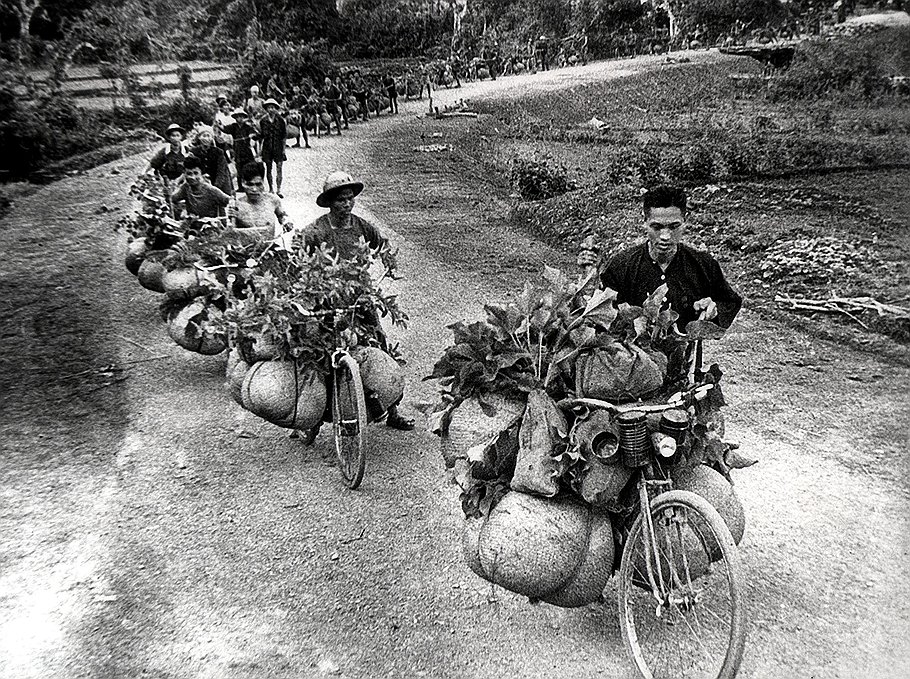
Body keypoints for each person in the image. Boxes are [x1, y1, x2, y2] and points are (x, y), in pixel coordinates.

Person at [298, 171, 415, 432]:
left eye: (350, 199)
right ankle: (314, 418)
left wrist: (388, 263)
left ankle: (393, 409)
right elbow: (298, 259)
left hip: (359, 299)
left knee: (379, 347)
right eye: (341, 200)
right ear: (330, 202)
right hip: (327, 302)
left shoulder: (362, 226)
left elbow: (382, 243)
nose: (347, 204)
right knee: (322, 356)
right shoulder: (316, 231)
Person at [579, 185, 742, 331]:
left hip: (686, 360)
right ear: (645, 223)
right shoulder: (621, 266)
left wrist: (713, 310)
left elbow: (729, 302)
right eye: (657, 227)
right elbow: (598, 316)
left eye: (674, 227)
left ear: (685, 222)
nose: (665, 236)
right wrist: (592, 276)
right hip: (633, 360)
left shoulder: (704, 265)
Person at [228, 161, 293, 242]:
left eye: (258, 184)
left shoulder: (272, 200)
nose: (254, 189)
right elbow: (231, 235)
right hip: (244, 251)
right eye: (250, 184)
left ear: (263, 182)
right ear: (243, 183)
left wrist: (286, 222)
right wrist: (230, 220)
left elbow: (282, 216)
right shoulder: (236, 206)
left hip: (269, 248)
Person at [187, 124, 234, 195]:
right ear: (199, 137)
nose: (206, 138)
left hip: (220, 182)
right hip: (203, 181)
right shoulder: (194, 151)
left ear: (212, 138)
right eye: (204, 136)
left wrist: (215, 188)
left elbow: (221, 172)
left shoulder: (218, 152)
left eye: (208, 136)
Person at [257, 98, 287, 197]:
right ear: (266, 109)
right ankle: (271, 189)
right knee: (268, 168)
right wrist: (259, 150)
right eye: (269, 107)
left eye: (273, 107)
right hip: (267, 147)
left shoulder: (281, 120)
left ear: (276, 108)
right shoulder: (263, 120)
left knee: (279, 168)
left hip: (278, 147)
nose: (271, 109)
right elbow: (261, 136)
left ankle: (279, 189)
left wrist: (283, 150)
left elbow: (283, 136)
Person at [220, 107, 258, 177]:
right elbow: (224, 129)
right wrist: (219, 125)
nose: (239, 118)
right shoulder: (233, 126)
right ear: (235, 118)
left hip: (247, 150)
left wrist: (252, 135)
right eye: (237, 117)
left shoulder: (248, 127)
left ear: (243, 117)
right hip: (237, 150)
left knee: (250, 168)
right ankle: (240, 186)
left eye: (241, 116)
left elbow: (255, 135)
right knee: (239, 169)